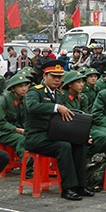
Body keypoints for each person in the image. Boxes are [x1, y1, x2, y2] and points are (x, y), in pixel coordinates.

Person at [25, 60, 93, 201]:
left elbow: (68, 118)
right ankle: (68, 188)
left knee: (80, 144)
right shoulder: (35, 91)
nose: (57, 80)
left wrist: (82, 134)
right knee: (64, 146)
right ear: (45, 76)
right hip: (37, 137)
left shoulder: (60, 95)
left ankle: (81, 185)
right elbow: (32, 106)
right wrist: (56, 107)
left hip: (55, 134)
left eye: (60, 77)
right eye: (53, 76)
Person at [0, 73, 31, 163]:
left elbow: (25, 119)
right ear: (12, 89)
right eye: (20, 86)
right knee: (22, 140)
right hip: (2, 132)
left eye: (25, 85)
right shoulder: (2, 100)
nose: (24, 89)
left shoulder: (25, 99)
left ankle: (37, 165)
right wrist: (17, 130)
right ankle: (28, 170)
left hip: (19, 129)